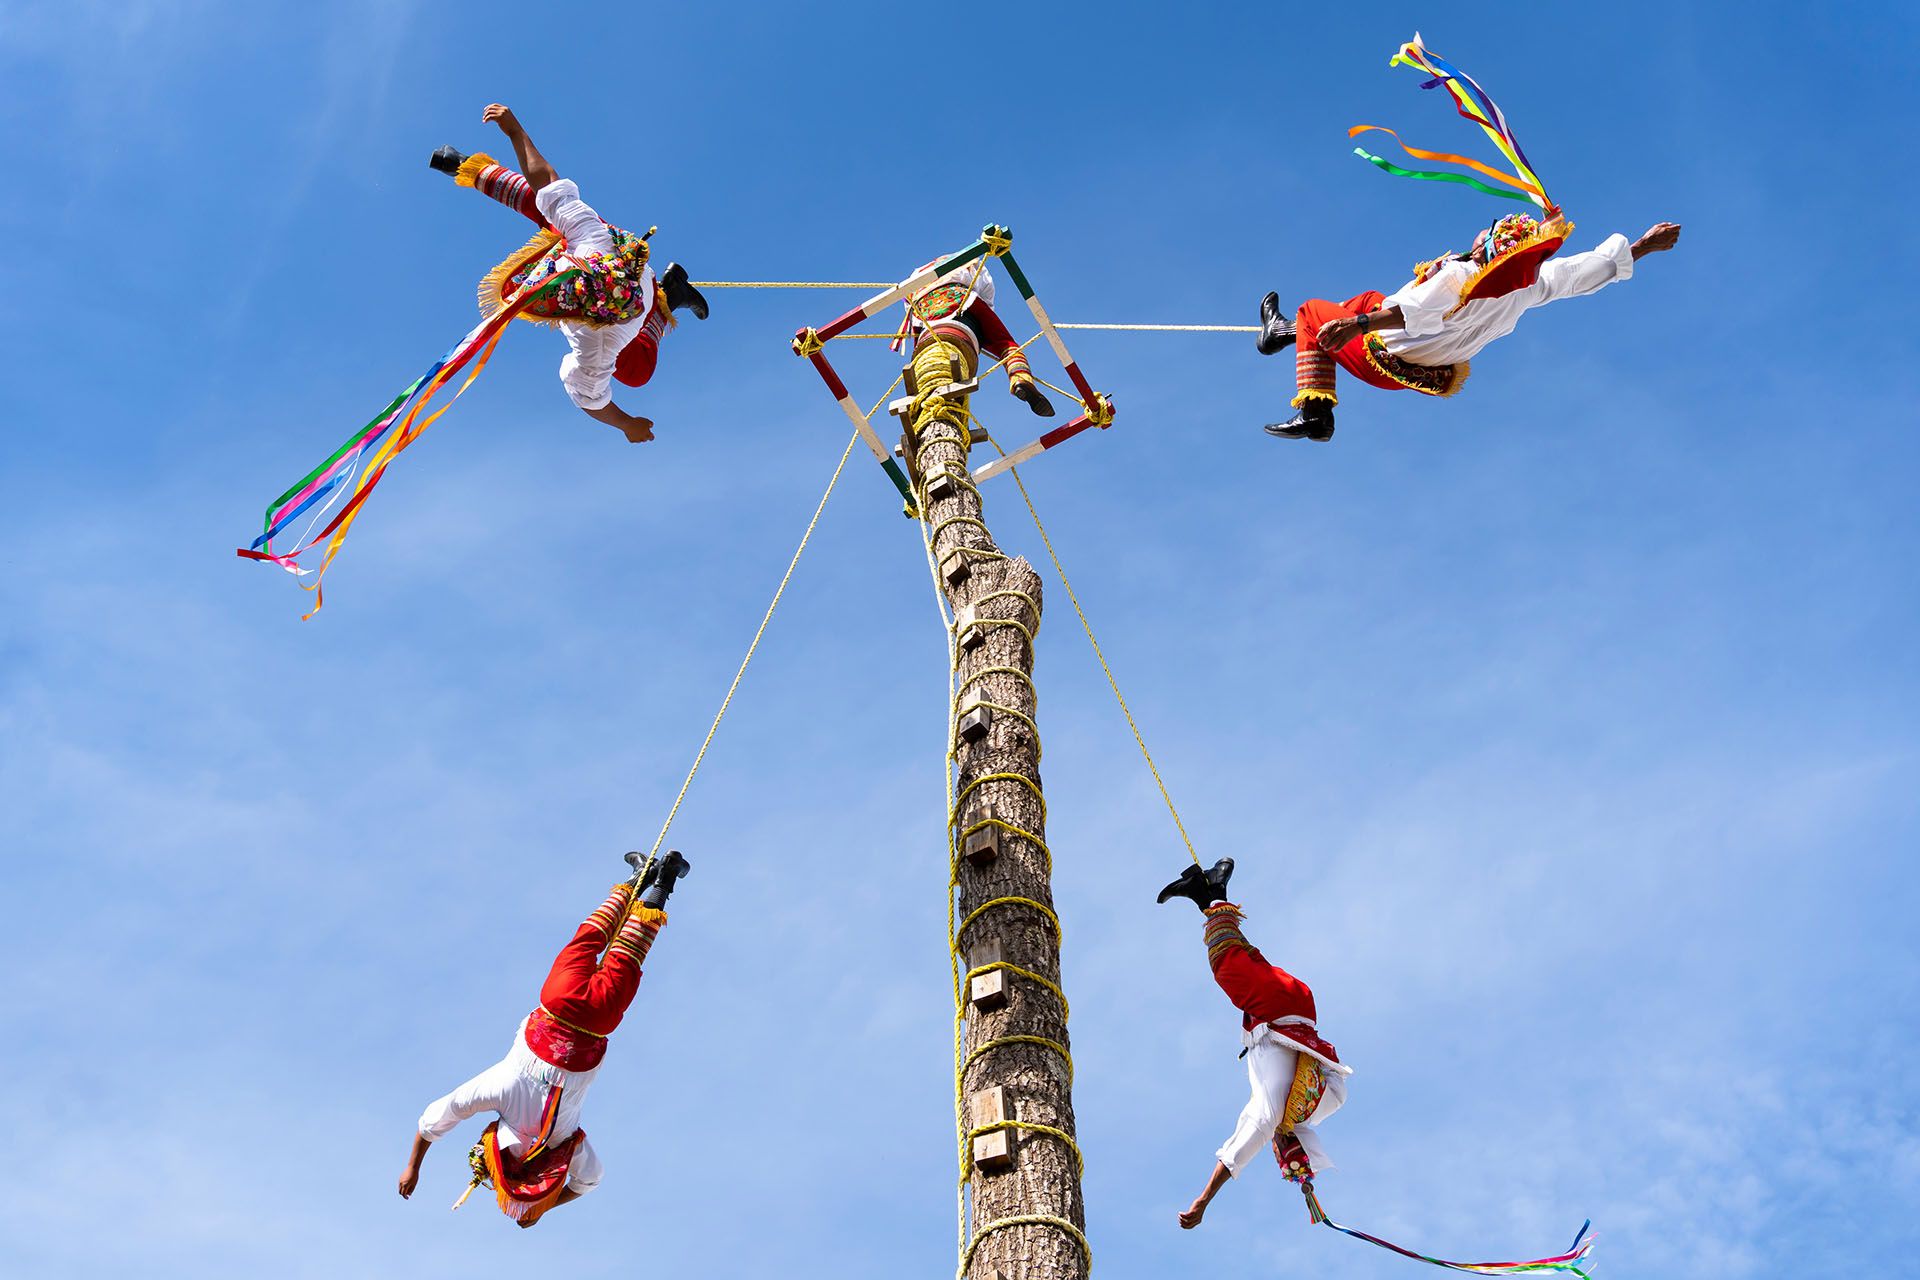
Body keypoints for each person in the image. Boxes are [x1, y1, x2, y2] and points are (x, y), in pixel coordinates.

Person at [397, 850, 691, 1226]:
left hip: (597, 1021)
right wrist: (412, 1167)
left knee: (627, 952)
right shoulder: (499, 1090)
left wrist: (543, 1207)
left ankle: (664, 879)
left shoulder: (565, 1141)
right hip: (558, 1000)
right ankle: (636, 879)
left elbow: (589, 1180)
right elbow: (433, 1121)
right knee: (588, 939)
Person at [1255, 214, 1682, 441]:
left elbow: (1412, 310)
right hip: (1415, 374)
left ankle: (1316, 415)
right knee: (1366, 298)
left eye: (1489, 230)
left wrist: (1356, 326)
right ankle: (1283, 333)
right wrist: (1643, 247)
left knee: (1315, 311)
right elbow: (1580, 272)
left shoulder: (1461, 276)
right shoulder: (1528, 287)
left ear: (1490, 247)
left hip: (1382, 354)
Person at [429, 104, 710, 445]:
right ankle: (669, 297)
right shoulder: (597, 247)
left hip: (633, 282)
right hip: (627, 265)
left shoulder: (596, 339)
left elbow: (593, 400)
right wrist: (515, 131)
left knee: (637, 374)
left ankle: (670, 297)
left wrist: (628, 425)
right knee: (552, 209)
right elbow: (546, 182)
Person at [1156, 856, 1351, 1229]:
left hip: (1299, 1004)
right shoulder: (1275, 1115)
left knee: (1246, 960)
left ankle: (1207, 893)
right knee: (1227, 966)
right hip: (1279, 1009)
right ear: (1285, 1141)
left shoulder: (1316, 1105)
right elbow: (1243, 1145)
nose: (1272, 1146)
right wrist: (1204, 1200)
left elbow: (1334, 1077)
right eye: (1278, 1147)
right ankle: (1214, 892)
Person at [900, 259, 1055, 417]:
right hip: (963, 300)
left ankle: (922, 393)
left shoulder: (915, 276)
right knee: (1006, 345)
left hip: (925, 314)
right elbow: (986, 290)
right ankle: (1020, 378)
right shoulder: (966, 260)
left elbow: (909, 310)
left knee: (923, 352)